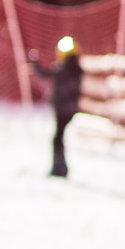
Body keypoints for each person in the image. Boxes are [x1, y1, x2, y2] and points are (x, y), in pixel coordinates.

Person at [32, 36, 84, 178]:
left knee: (57, 138)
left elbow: (44, 73)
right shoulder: (77, 69)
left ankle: (59, 167)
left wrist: (35, 63)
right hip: (71, 109)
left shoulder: (62, 68)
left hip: (62, 109)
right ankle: (61, 166)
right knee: (59, 137)